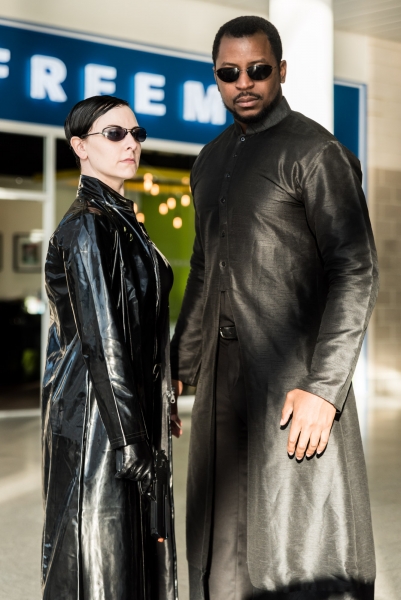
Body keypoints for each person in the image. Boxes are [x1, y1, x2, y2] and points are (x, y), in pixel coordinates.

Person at [171, 16, 378, 600]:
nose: (244, 82)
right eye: (229, 73)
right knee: (221, 545)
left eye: (258, 70)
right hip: (222, 382)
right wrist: (177, 368)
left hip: (294, 383)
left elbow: (355, 270)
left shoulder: (317, 153)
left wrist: (324, 388)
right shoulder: (209, 160)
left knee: (297, 549)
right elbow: (205, 269)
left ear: (281, 71)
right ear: (216, 77)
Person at [41, 95, 177, 600]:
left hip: (123, 414)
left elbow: (140, 328)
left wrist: (161, 398)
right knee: (99, 567)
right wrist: (129, 437)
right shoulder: (86, 226)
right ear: (80, 146)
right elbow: (102, 340)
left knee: (131, 562)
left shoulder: (122, 221)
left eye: (136, 134)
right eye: (114, 134)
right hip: (97, 422)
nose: (130, 144)